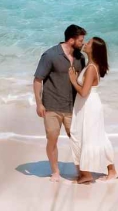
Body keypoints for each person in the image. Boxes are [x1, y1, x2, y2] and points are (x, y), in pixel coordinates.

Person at [33, 24, 87, 183]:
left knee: (77, 141)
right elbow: (38, 80)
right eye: (80, 40)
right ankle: (55, 172)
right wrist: (39, 103)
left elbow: (83, 81)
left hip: (73, 107)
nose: (83, 43)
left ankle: (81, 171)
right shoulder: (50, 55)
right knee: (52, 139)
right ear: (71, 40)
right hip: (52, 106)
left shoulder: (80, 58)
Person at [68, 37, 117, 184]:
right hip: (86, 104)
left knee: (86, 136)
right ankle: (105, 171)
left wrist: (73, 80)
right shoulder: (90, 66)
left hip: (89, 105)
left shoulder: (91, 68)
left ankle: (89, 173)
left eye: (88, 43)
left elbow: (84, 92)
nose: (85, 44)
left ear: (94, 50)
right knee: (88, 136)